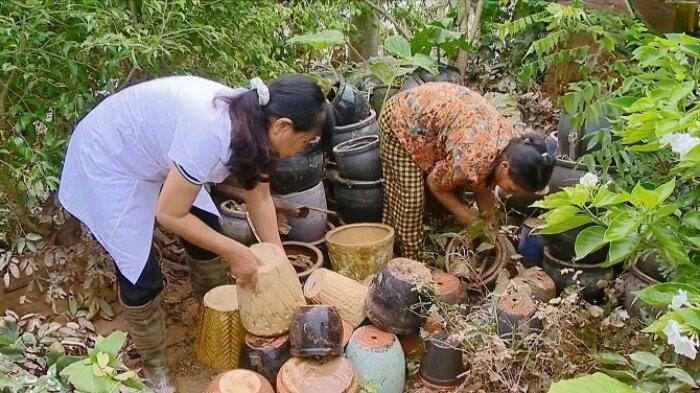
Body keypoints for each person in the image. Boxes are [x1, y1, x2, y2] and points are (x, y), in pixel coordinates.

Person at [58, 74, 333, 392]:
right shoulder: (209, 130)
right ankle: (155, 369)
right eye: (304, 141)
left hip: (157, 153)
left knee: (208, 233)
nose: (299, 151)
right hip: (112, 155)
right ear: (283, 126)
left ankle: (214, 316)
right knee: (139, 272)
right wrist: (237, 252)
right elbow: (170, 214)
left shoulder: (257, 123)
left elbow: (258, 196)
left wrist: (277, 259)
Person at [379, 82, 554, 260]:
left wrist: (489, 219)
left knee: (449, 199)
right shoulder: (471, 160)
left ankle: (433, 242)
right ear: (504, 167)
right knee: (412, 200)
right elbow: (435, 183)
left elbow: (484, 182)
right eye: (513, 188)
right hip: (402, 119)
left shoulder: (515, 148)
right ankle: (412, 260)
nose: (511, 193)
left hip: (436, 123)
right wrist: (468, 216)